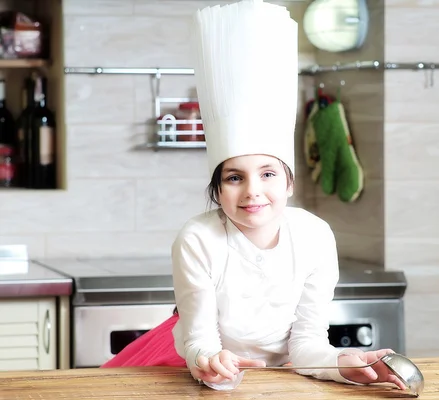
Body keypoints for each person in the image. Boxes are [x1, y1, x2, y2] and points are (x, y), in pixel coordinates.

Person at [101, 0, 406, 392]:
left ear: (289, 183)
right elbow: (200, 342)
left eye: (267, 173)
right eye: (233, 177)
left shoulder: (314, 236)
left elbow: (307, 345)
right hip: (180, 370)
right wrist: (210, 362)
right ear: (217, 189)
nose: (252, 191)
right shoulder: (198, 239)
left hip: (278, 380)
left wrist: (342, 364)